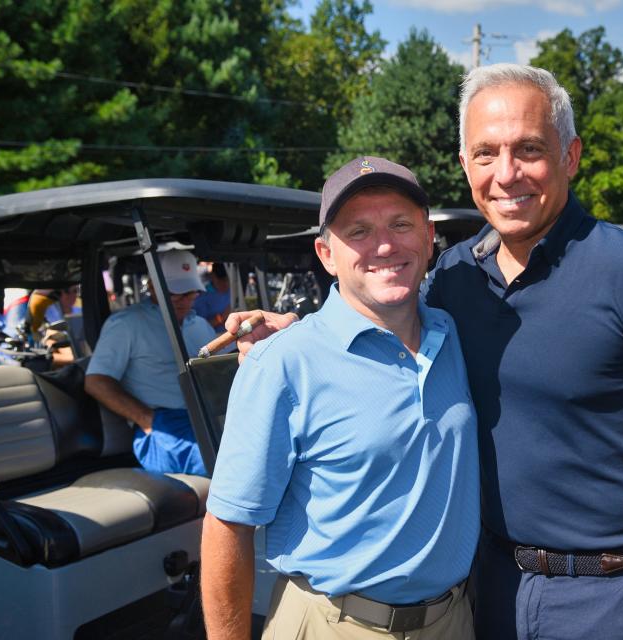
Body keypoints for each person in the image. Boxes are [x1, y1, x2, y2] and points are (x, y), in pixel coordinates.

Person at [228, 64, 623, 639]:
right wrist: (300, 332)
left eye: (528, 149)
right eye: (485, 153)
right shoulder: (453, 278)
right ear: (464, 166)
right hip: (486, 591)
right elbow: (376, 305)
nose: (506, 173)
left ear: (570, 156)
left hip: (613, 599)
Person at [201, 157, 479, 640]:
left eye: (400, 224)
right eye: (359, 231)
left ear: (429, 238)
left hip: (453, 621)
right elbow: (228, 526)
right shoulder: (284, 363)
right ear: (326, 254)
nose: (385, 245)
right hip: (333, 624)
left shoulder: (456, 331)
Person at [84, 249, 216, 475]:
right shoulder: (126, 324)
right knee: (230, 468)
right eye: (176, 292)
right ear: (153, 286)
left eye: (190, 292)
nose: (184, 300)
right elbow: (96, 381)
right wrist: (148, 421)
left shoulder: (201, 325)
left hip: (208, 417)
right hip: (165, 425)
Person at [194, 263, 231, 332]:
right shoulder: (201, 298)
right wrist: (221, 317)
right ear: (212, 276)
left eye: (227, 280)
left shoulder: (234, 290)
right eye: (221, 280)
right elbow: (200, 328)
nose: (225, 284)